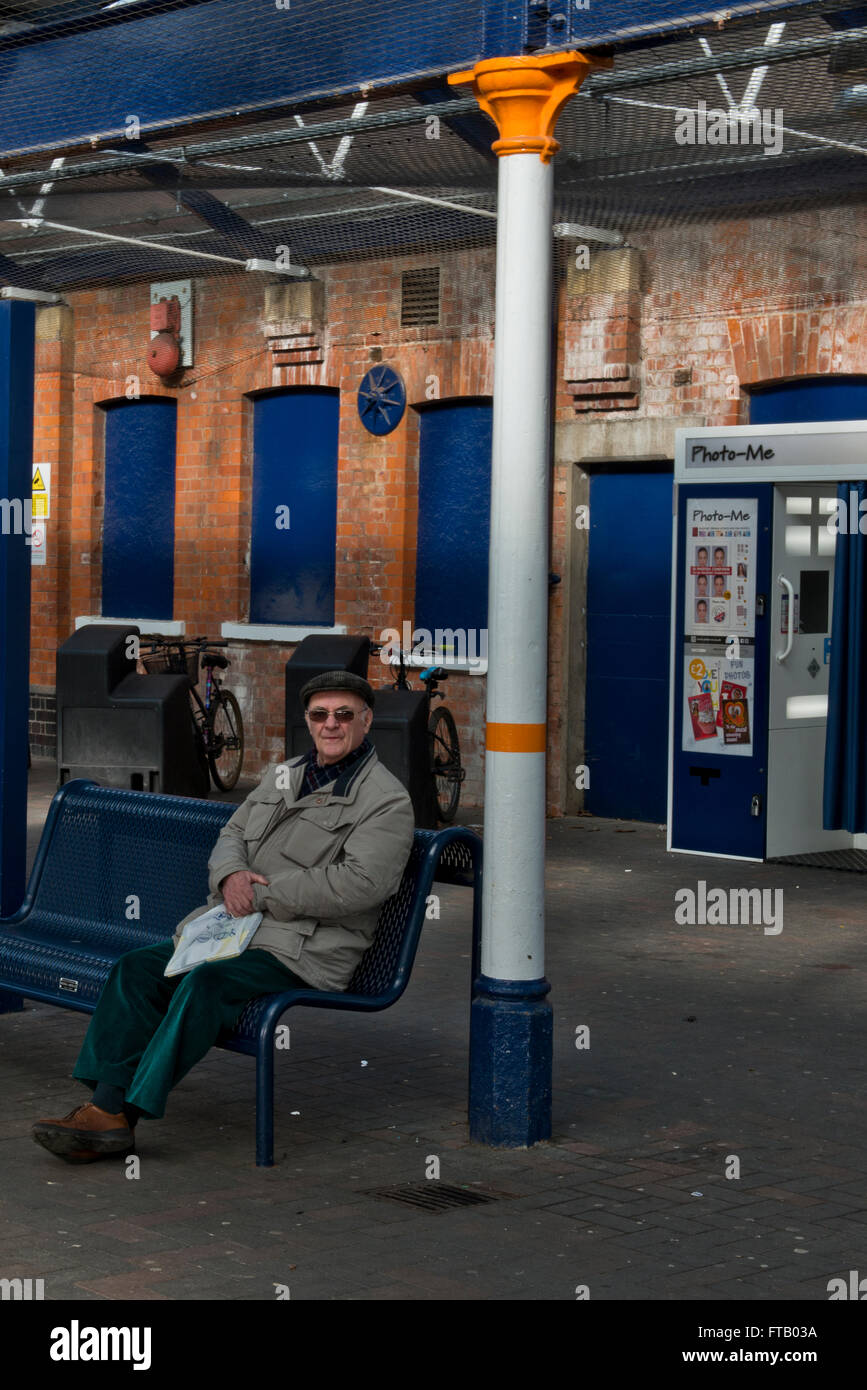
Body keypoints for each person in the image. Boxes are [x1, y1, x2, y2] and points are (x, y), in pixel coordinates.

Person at [32, 671, 414, 1163]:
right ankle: (103, 1111)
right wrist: (232, 875)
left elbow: (362, 884)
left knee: (204, 984)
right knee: (137, 969)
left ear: (366, 721)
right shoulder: (285, 775)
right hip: (234, 928)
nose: (331, 725)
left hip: (303, 947)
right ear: (308, 722)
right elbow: (231, 836)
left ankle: (119, 1115)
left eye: (344, 715)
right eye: (320, 715)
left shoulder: (384, 799)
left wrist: (264, 895)